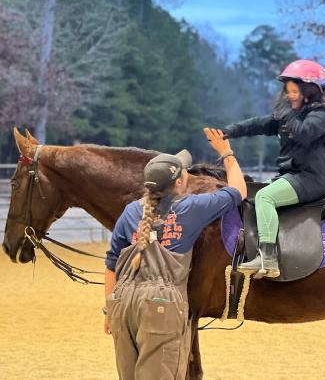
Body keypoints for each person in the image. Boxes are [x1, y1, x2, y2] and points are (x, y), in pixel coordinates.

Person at [103, 128, 247, 380]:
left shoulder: (129, 212)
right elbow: (238, 191)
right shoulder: (191, 208)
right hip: (162, 305)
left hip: (122, 303)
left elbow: (112, 264)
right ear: (179, 182)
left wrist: (109, 311)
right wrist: (227, 153)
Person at [222, 59, 325, 279]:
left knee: (265, 197)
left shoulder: (322, 114)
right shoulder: (289, 115)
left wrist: (286, 114)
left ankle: (268, 258)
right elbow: (260, 124)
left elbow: (304, 134)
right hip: (292, 176)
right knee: (253, 195)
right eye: (288, 91)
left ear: (310, 91)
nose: (290, 95)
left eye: (295, 90)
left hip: (310, 178)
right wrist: (230, 131)